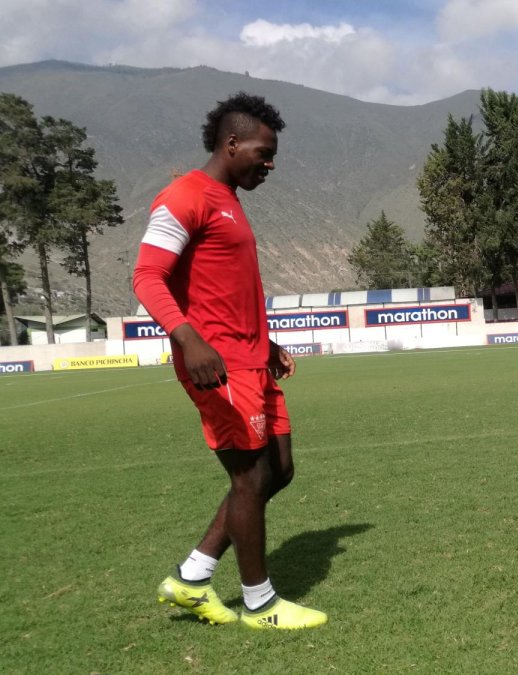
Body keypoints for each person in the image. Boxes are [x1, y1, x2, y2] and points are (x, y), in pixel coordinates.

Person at [133, 92, 327, 628]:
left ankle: (191, 578)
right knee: (249, 477)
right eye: (264, 153)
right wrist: (188, 339)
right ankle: (260, 604)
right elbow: (146, 276)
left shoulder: (227, 199)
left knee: (279, 471)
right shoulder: (184, 196)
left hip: (251, 359)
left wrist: (267, 344)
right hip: (217, 365)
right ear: (231, 142)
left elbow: (227, 288)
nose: (270, 164)